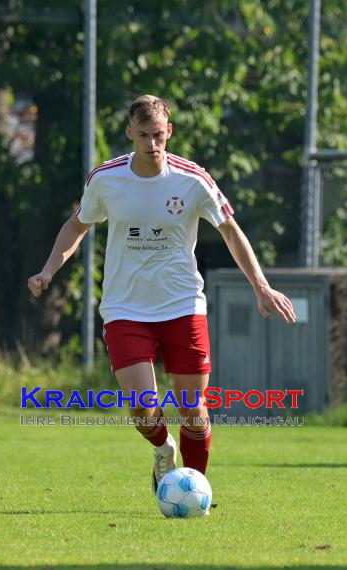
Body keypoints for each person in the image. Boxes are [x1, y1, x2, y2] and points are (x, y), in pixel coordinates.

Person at [28, 94, 296, 495]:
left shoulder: (193, 180)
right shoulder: (106, 179)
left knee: (193, 410)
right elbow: (77, 225)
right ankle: (162, 448)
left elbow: (230, 231)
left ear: (169, 132)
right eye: (143, 136)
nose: (152, 144)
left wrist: (261, 286)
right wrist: (49, 269)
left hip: (182, 305)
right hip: (125, 308)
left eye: (158, 135)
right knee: (141, 406)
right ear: (129, 133)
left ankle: (196, 488)